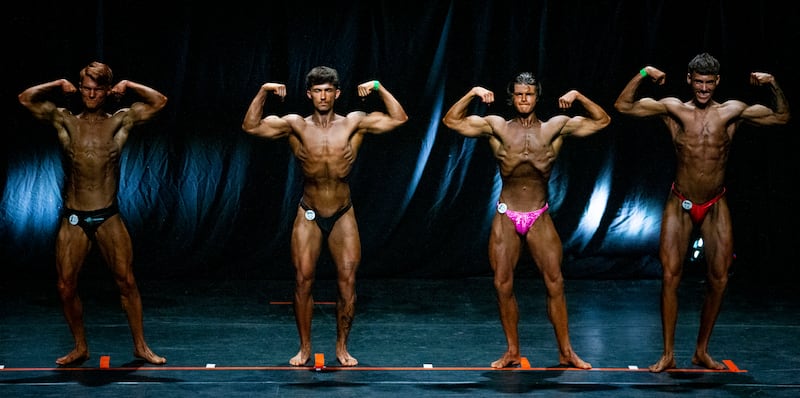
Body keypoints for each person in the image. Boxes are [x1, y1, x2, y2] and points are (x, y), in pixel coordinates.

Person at [614, 52, 790, 372]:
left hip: (715, 204)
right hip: (679, 202)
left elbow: (781, 117)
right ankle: (668, 354)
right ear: (689, 80)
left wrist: (773, 83)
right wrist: (643, 72)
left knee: (720, 279)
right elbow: (623, 106)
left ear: (717, 82)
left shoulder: (732, 112)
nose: (704, 88)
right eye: (699, 82)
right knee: (670, 277)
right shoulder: (674, 109)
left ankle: (701, 351)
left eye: (709, 83)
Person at [242, 66, 408, 367]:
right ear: (309, 94)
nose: (322, 95)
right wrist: (264, 91)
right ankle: (304, 347)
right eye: (317, 90)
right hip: (309, 212)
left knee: (347, 282)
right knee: (303, 281)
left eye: (328, 90)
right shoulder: (295, 124)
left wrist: (378, 85)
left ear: (337, 93)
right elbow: (251, 127)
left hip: (343, 213)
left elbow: (399, 118)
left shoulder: (354, 122)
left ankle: (342, 347)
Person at [442, 72, 610, 369]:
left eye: (529, 94)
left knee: (555, 283)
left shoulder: (554, 128)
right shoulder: (497, 127)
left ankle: (566, 351)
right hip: (507, 215)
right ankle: (511, 351)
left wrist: (578, 96)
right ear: (512, 97)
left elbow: (602, 121)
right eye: (519, 94)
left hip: (538, 215)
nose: (523, 99)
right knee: (502, 284)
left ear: (536, 97)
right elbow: (451, 121)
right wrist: (472, 92)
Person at [18, 61, 168, 366]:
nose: (90, 94)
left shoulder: (120, 122)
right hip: (74, 217)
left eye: (97, 89)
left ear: (106, 91)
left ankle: (141, 346)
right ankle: (80, 347)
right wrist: (57, 83)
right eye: (86, 87)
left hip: (108, 216)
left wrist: (129, 85)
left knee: (126, 281)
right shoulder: (65, 120)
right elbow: (25, 99)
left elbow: (160, 102)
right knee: (65, 285)